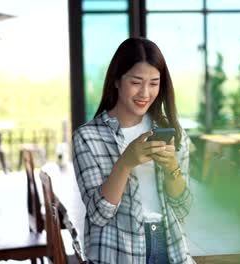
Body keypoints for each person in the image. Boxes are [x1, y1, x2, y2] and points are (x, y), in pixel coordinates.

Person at [72, 37, 194, 264]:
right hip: (118, 254)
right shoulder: (87, 138)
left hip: (170, 248)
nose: (145, 93)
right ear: (117, 80)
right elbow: (99, 214)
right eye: (136, 82)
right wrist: (126, 162)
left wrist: (171, 168)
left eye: (154, 83)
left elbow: (183, 206)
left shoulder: (173, 133)